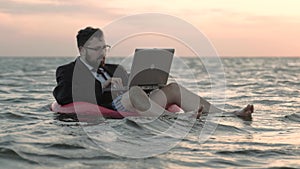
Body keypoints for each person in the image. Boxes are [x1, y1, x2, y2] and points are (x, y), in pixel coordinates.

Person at [53, 26, 254, 119]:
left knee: (173, 88)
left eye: (104, 47)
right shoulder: (68, 71)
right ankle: (180, 120)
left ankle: (229, 114)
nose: (102, 53)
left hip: (136, 103)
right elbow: (62, 96)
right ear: (81, 50)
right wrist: (101, 86)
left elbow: (134, 87)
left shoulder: (115, 69)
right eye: (96, 49)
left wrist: (153, 83)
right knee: (133, 93)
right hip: (113, 105)